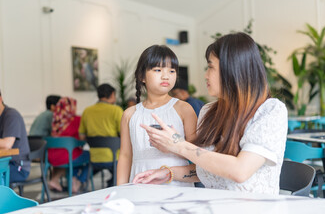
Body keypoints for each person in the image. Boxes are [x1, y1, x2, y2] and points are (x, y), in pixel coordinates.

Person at [132, 33, 288, 195]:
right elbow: (206, 167)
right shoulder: (208, 111)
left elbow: (240, 171)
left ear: (232, 68)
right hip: (215, 210)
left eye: (210, 67)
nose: (205, 75)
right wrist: (168, 173)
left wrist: (179, 145)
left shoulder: (270, 111)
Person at [117, 45, 197, 186]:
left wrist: (173, 146)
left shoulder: (184, 109)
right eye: (158, 70)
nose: (166, 76)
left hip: (176, 184)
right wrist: (121, 190)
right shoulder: (130, 114)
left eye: (172, 71)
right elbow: (125, 155)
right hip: (140, 183)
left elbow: (198, 153)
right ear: (142, 76)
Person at [79, 83, 123, 187]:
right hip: (114, 157)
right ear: (112, 94)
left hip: (94, 157)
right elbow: (124, 134)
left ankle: (81, 182)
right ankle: (113, 183)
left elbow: (81, 136)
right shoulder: (116, 110)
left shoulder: (87, 111)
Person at [48, 97, 89, 193]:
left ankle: (65, 180)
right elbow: (82, 137)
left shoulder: (55, 122)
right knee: (90, 156)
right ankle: (78, 181)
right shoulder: (77, 120)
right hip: (68, 155)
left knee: (74, 155)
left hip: (51, 157)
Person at [0, 89, 31, 183]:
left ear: (0, 99)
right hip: (4, 162)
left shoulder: (11, 115)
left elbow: (7, 144)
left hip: (18, 166)